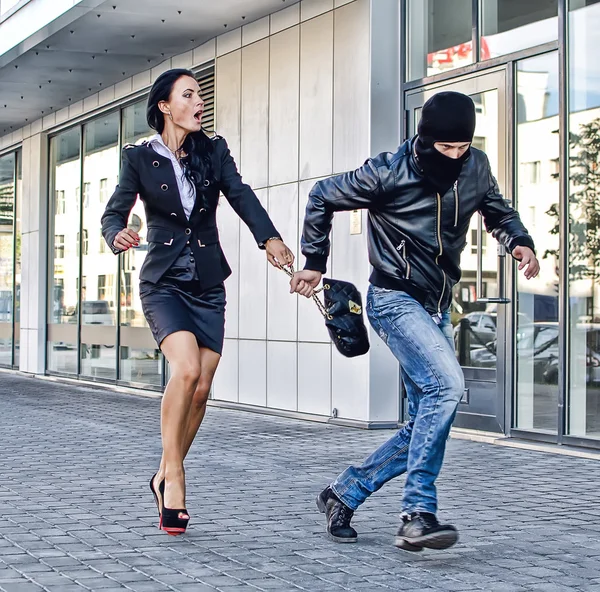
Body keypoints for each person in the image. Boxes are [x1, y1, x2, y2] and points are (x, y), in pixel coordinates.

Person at [291, 91, 539, 551]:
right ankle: (418, 512)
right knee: (446, 387)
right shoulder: (388, 171)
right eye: (445, 148)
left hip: (437, 304)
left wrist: (518, 240)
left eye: (462, 148)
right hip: (393, 298)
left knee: (425, 421)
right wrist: (313, 260)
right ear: (425, 140)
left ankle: (344, 492)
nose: (454, 156)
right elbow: (322, 195)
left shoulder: (476, 166)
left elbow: (496, 209)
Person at [101, 68, 294, 536]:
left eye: (200, 95)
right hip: (164, 281)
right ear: (165, 106)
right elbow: (113, 212)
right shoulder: (138, 159)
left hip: (207, 284)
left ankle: (162, 473)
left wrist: (269, 237)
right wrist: (117, 234)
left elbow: (241, 195)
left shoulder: (214, 150)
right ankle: (177, 477)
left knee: (202, 387)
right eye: (188, 95)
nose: (198, 102)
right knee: (185, 370)